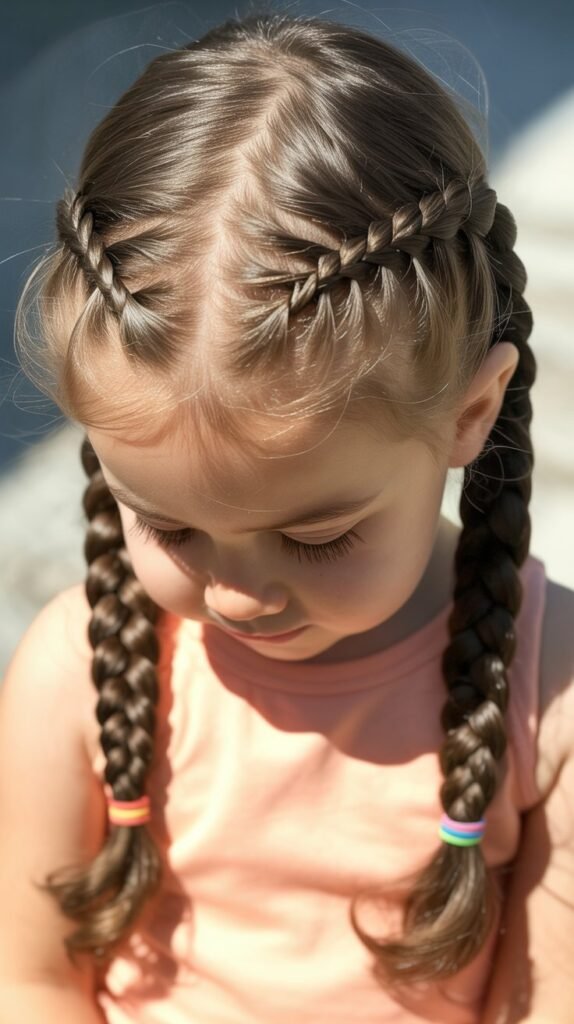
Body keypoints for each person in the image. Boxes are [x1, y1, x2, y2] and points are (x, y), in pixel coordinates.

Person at [1, 11, 573, 1024]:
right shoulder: (76, 671)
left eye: (316, 537)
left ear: (469, 412)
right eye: (170, 528)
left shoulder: (549, 691)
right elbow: (29, 979)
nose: (236, 594)